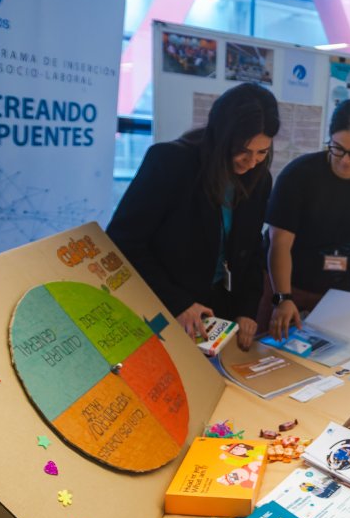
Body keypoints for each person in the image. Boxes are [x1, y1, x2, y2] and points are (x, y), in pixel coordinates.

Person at [106, 82, 279, 349]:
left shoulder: (259, 178)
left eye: (262, 152)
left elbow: (252, 246)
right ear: (222, 137)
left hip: (217, 307)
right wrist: (178, 303)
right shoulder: (171, 162)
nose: (251, 161)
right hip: (163, 302)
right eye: (243, 151)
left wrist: (247, 309)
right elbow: (123, 241)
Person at [264, 100, 350, 339]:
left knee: (327, 351)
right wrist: (283, 297)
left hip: (335, 292)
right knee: (270, 347)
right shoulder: (298, 175)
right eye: (338, 148)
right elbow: (279, 244)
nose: (345, 160)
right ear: (329, 138)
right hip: (285, 283)